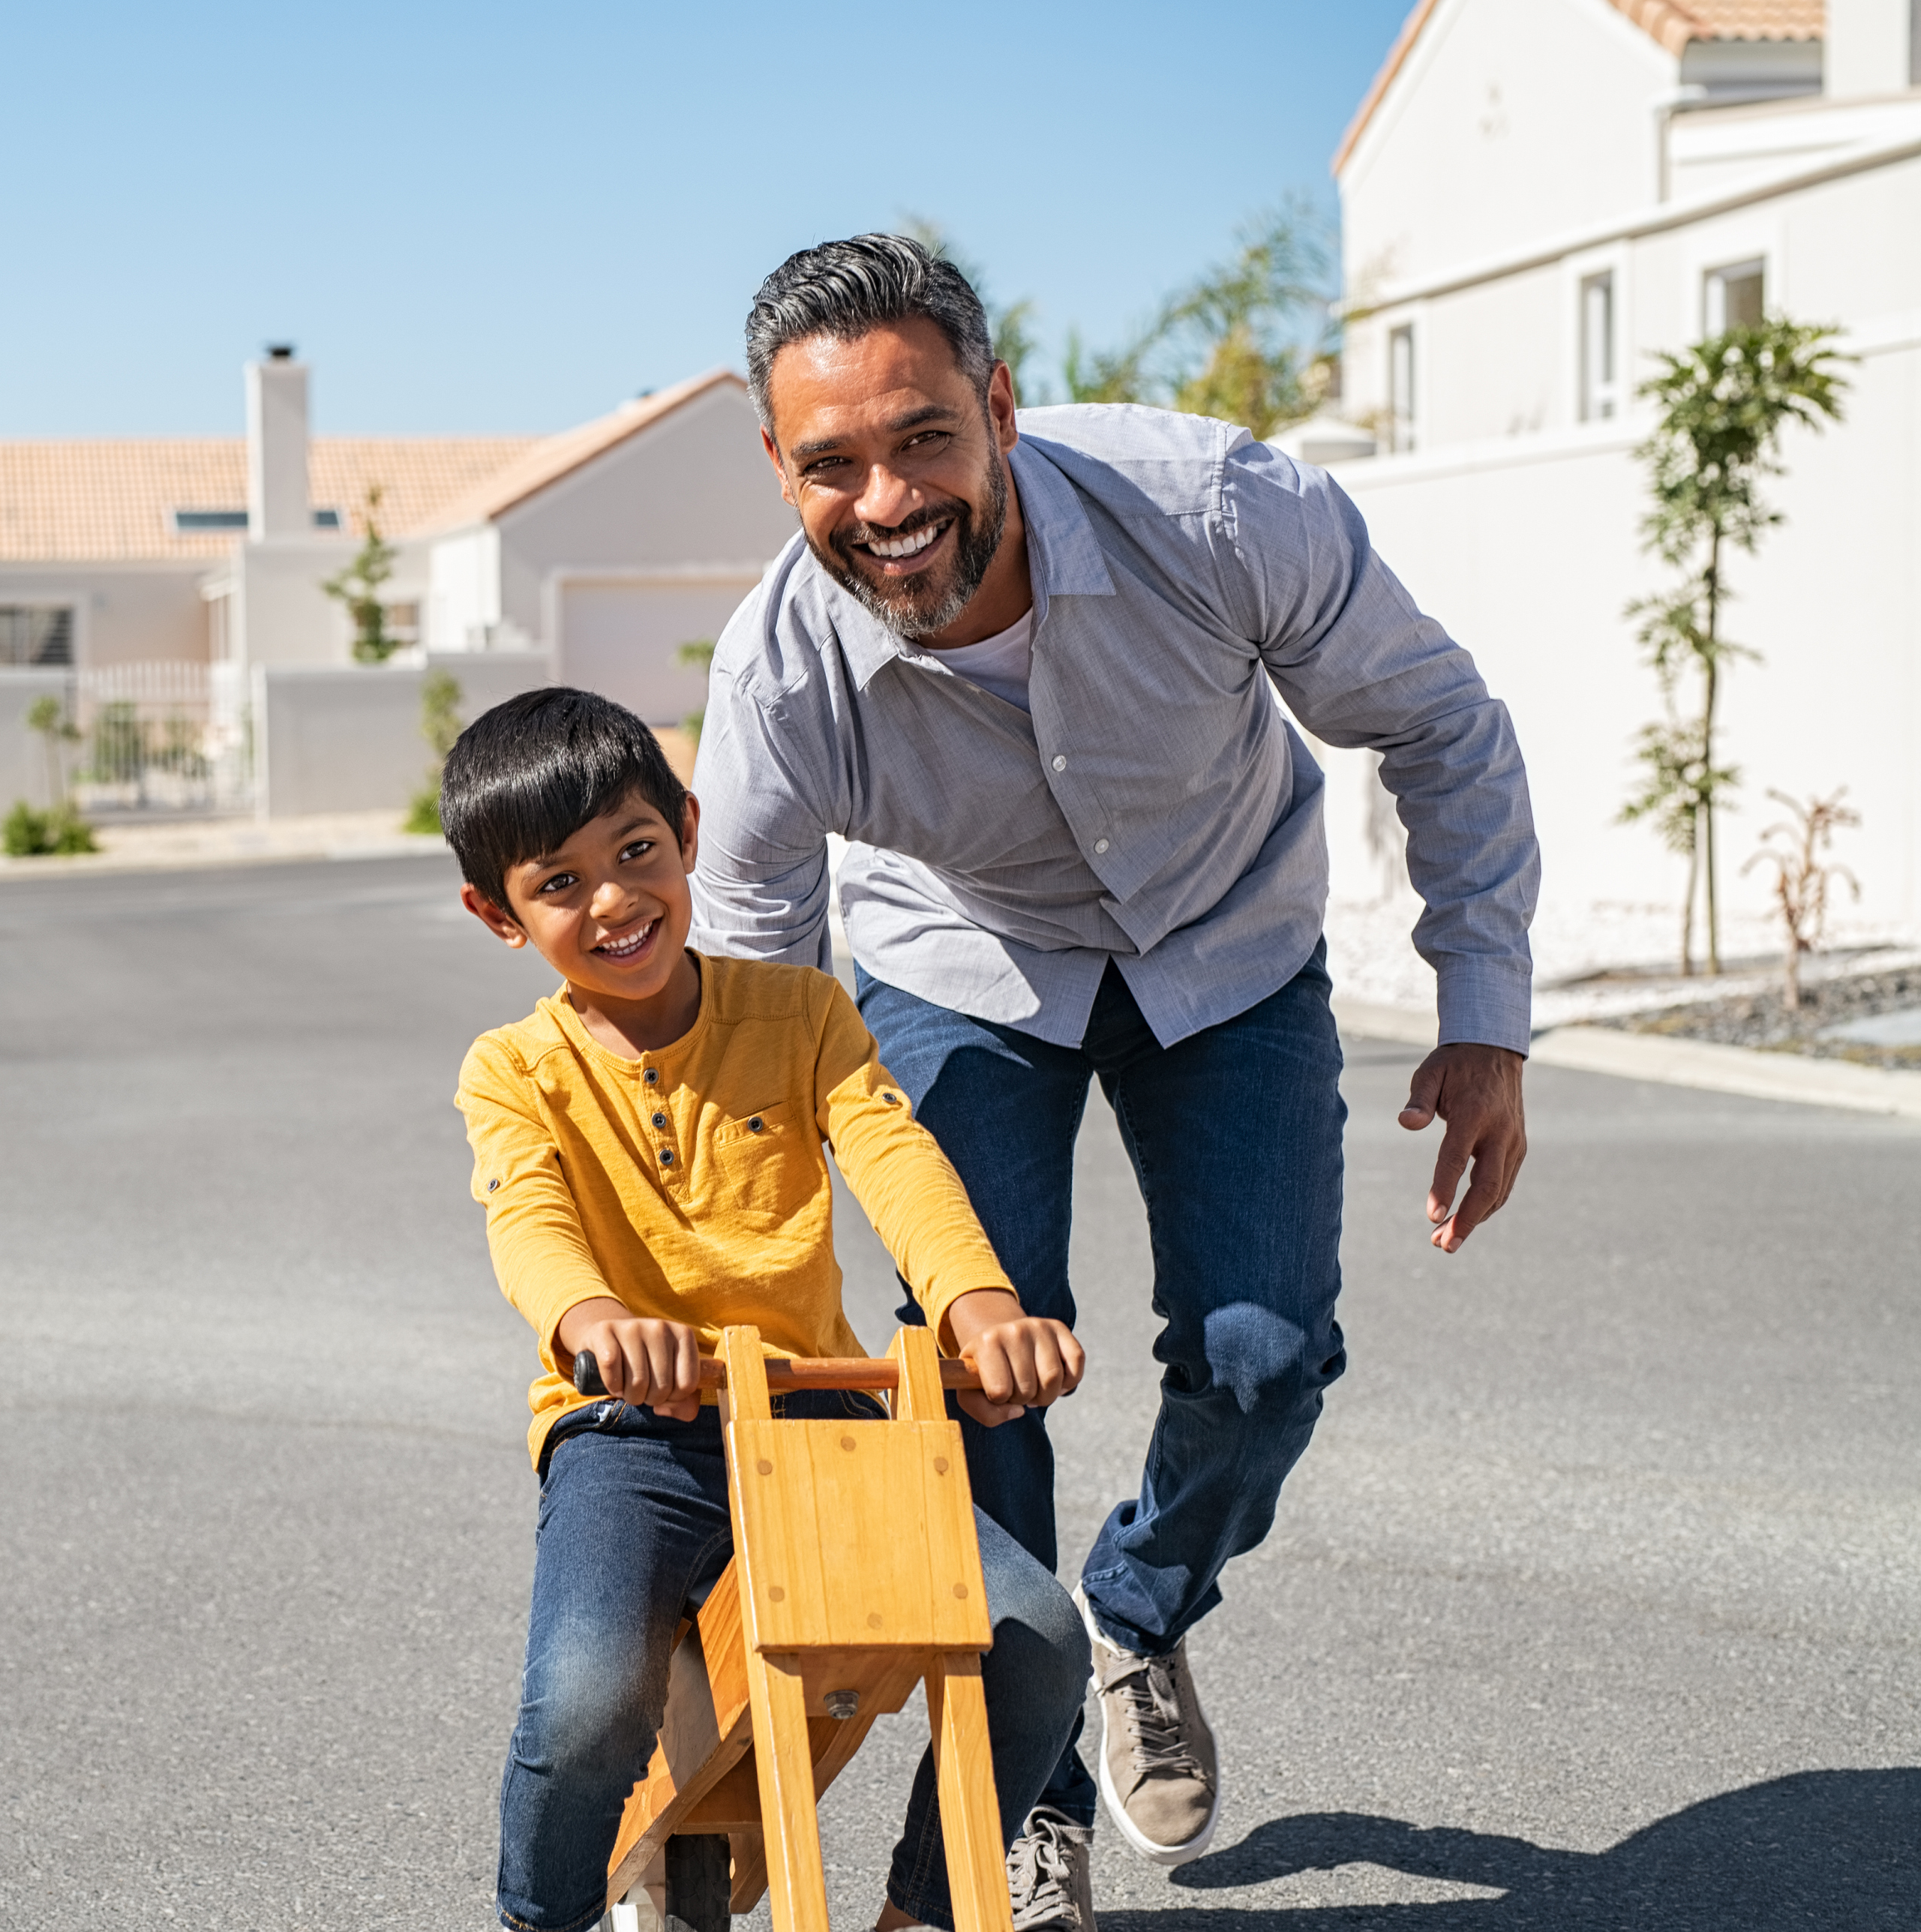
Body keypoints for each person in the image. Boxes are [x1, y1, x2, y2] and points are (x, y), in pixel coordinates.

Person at [690, 233, 1540, 1908]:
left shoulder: (1214, 510)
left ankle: (1137, 1608)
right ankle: (1032, 1779)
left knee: (1266, 1352)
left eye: (924, 434)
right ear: (778, 470)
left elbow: (1441, 720)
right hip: (959, 963)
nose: (887, 500)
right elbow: (753, 997)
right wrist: (752, 1295)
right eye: (831, 463)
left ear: (999, 407)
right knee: (974, 1380)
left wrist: (1486, 1009)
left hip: (1225, 934)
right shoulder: (780, 674)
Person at [446, 686, 1100, 1932]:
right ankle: (542, 1917)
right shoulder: (514, 1069)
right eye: (561, 884)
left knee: (1034, 1638)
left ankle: (929, 1908)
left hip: (814, 1412)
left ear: (687, 832)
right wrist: (592, 1322)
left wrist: (981, 1305)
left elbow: (895, 1159)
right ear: (499, 915)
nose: (615, 902)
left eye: (637, 853)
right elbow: (526, 1221)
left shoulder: (802, 1013)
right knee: (585, 1699)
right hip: (632, 1432)